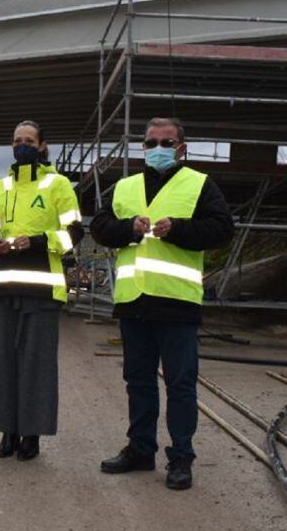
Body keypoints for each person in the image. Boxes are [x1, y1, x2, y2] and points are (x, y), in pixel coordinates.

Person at [91, 117, 233, 490]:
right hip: (134, 302)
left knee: (180, 385)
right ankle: (140, 450)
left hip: (177, 302)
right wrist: (128, 229)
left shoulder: (199, 185)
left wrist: (180, 229)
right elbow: (100, 228)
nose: (158, 149)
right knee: (138, 382)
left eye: (166, 143)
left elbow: (222, 230)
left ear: (182, 148)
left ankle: (181, 457)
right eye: (151, 142)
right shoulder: (125, 187)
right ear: (142, 147)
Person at [0, 121, 83, 461]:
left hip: (41, 288)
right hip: (4, 285)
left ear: (42, 146)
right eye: (16, 140)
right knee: (1, 362)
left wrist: (38, 241)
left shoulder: (59, 184)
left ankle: (31, 435)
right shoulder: (0, 186)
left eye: (28, 140)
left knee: (36, 364)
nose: (21, 145)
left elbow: (73, 233)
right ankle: (7, 432)